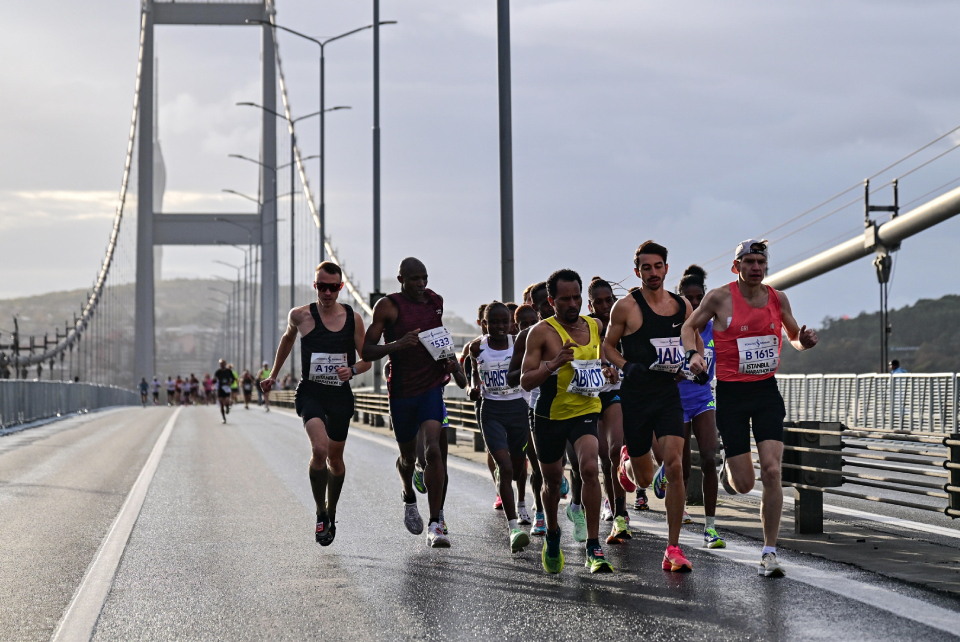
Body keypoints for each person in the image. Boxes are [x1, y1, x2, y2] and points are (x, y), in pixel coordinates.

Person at [682, 239, 818, 578]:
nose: (756, 267)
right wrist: (694, 355)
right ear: (737, 267)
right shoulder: (719, 297)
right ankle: (732, 456)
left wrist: (804, 341)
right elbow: (689, 327)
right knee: (744, 483)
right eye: (749, 262)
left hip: (766, 391)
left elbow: (793, 337)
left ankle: (769, 552)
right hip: (731, 395)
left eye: (761, 261)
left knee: (773, 471)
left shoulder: (777, 298)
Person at [605, 241, 703, 573]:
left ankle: (673, 548)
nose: (653, 272)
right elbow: (607, 345)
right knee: (645, 479)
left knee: (674, 466)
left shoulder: (682, 305)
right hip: (636, 397)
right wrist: (624, 364)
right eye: (646, 268)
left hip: (667, 393)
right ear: (638, 272)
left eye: (658, 266)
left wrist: (696, 361)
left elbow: (694, 339)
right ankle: (626, 465)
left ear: (666, 268)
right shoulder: (626, 307)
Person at [261, 261, 372, 546]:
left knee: (335, 460)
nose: (327, 292)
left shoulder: (353, 318)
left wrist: (353, 370)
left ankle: (332, 510)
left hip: (340, 395)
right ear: (315, 286)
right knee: (319, 449)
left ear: (340, 288)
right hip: (310, 391)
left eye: (332, 287)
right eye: (321, 286)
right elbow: (287, 341)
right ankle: (321, 512)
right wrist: (273, 375)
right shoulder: (300, 316)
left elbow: (367, 359)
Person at [521, 269, 618, 574]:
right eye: (565, 299)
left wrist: (607, 369)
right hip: (549, 415)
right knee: (551, 482)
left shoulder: (595, 325)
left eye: (577, 297)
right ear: (551, 301)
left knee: (590, 468)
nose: (573, 303)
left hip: (586, 409)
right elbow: (525, 380)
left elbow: (597, 359)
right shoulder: (541, 333)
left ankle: (593, 545)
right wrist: (554, 364)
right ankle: (552, 532)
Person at [363, 257, 464, 548]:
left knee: (434, 450)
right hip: (403, 390)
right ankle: (408, 494)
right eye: (415, 279)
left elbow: (439, 339)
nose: (421, 284)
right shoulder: (388, 306)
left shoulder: (435, 301)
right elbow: (367, 350)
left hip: (432, 386)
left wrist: (451, 365)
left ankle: (436, 524)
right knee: (408, 458)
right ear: (401, 280)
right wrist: (397, 345)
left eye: (425, 278)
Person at [466, 301, 533, 553]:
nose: (499, 326)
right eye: (493, 322)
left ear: (510, 323)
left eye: (504, 321)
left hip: (518, 409)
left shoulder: (519, 343)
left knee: (517, 468)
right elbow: (475, 374)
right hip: (491, 411)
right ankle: (514, 527)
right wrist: (474, 388)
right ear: (484, 324)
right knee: (504, 467)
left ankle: (518, 496)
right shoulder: (476, 347)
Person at [676, 265, 725, 549]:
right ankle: (679, 514)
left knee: (709, 458)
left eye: (699, 297)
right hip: (677, 401)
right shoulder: (676, 329)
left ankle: (710, 527)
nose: (695, 304)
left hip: (703, 398)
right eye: (689, 298)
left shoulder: (714, 326)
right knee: (681, 468)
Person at [587, 276, 631, 544]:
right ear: (590, 304)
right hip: (590, 398)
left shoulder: (625, 326)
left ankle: (621, 514)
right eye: (599, 302)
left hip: (615, 395)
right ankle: (610, 501)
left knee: (615, 451)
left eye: (609, 300)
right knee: (601, 455)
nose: (604, 306)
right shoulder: (585, 327)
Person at [506, 288, 552, 538]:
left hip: (563, 406)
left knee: (568, 467)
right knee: (537, 468)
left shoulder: (561, 331)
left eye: (531, 322)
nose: (528, 326)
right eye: (523, 324)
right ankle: (540, 516)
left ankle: (575, 505)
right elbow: (514, 378)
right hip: (529, 408)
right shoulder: (523, 340)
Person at [214, 359, 236, 423]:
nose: (222, 365)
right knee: (221, 404)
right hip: (220, 388)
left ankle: (227, 407)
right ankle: (223, 418)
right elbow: (214, 381)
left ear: (225, 364)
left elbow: (233, 378)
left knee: (227, 401)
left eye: (223, 363)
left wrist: (230, 382)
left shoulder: (229, 371)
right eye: (221, 364)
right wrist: (215, 379)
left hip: (227, 388)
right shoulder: (218, 372)